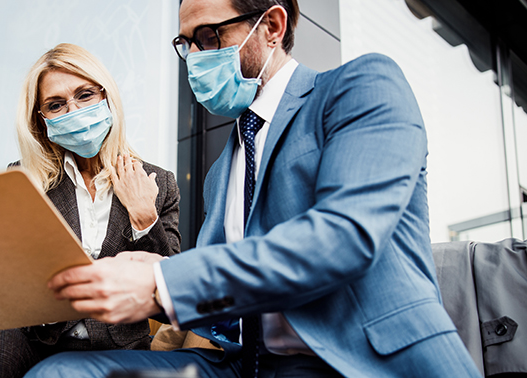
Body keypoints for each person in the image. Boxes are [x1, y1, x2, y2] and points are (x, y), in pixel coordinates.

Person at [25, 0, 482, 377]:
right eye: (187, 45)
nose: (197, 58)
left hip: (360, 359)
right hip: (248, 364)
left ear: (272, 26)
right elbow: (223, 306)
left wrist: (162, 281)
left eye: (209, 37)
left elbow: (343, 237)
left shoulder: (358, 88)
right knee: (60, 373)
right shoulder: (222, 171)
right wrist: (146, 273)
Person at [0, 43, 181, 378]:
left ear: (106, 97)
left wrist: (144, 218)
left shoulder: (159, 183)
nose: (73, 110)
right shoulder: (24, 180)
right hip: (37, 336)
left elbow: (170, 298)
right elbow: (7, 280)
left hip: (118, 345)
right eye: (56, 104)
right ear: (42, 118)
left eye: (85, 95)